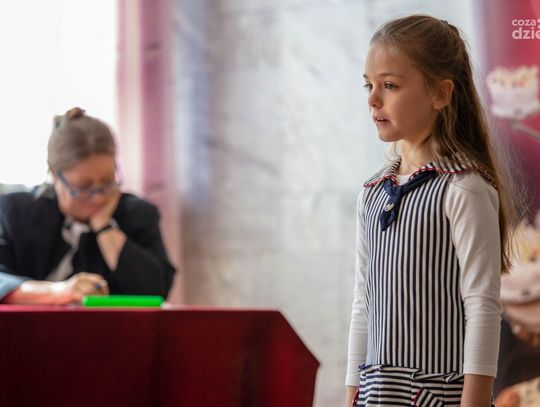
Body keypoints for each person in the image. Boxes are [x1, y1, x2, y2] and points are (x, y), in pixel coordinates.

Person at [345, 15, 520, 407]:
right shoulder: (371, 195)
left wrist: (475, 400)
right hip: (377, 393)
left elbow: (482, 306)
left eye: (390, 85)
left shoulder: (463, 189)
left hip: (438, 395)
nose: (373, 99)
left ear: (441, 94)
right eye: (369, 85)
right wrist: (351, 390)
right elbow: (363, 303)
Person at [0, 107, 176, 305]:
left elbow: (156, 292)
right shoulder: (15, 212)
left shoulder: (137, 214)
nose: (97, 198)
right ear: (55, 175)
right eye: (83, 187)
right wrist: (57, 291)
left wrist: (104, 228)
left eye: (107, 182)